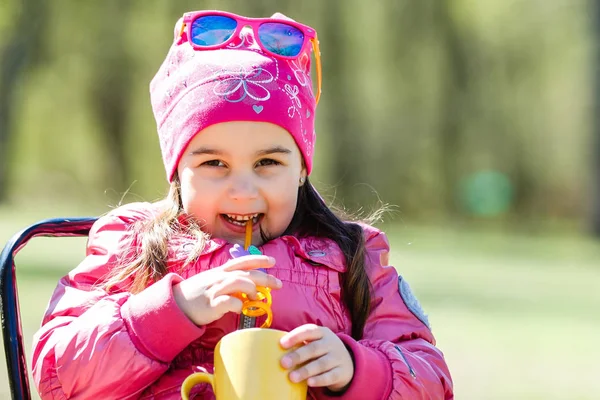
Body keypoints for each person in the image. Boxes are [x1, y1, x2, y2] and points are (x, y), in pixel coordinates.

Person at [31, 10, 453, 399]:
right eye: (214, 163)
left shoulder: (354, 257)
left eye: (268, 162)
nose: (242, 190)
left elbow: (430, 377)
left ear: (303, 168)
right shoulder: (134, 243)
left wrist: (358, 369)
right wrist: (172, 311)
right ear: (177, 170)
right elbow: (55, 377)